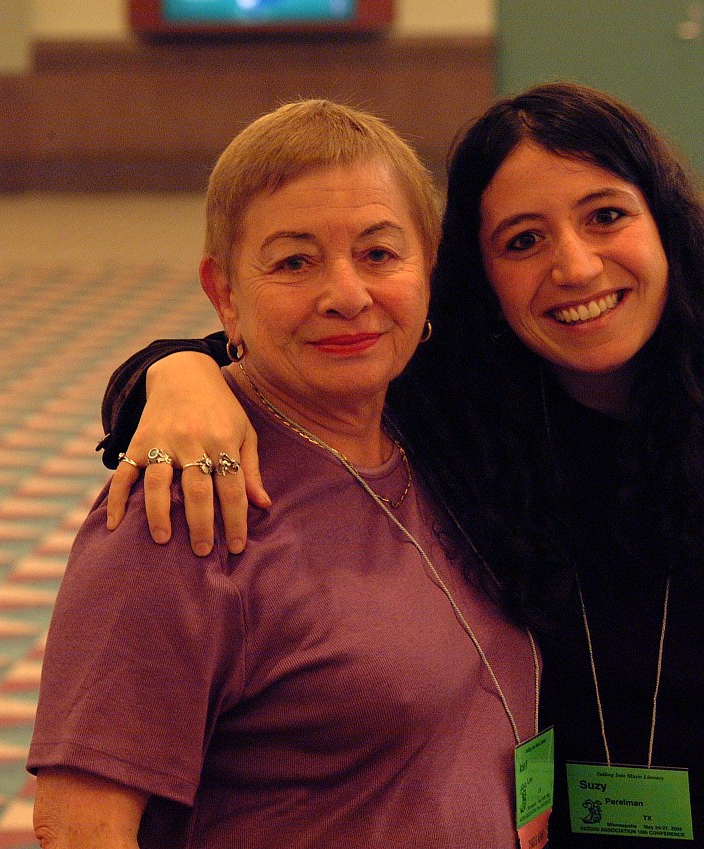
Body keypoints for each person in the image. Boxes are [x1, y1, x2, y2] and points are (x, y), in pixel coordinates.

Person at [98, 82, 704, 848]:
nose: (575, 266)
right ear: (474, 277)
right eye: (522, 240)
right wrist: (175, 376)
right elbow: (290, 353)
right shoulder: (456, 400)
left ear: (665, 221)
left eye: (606, 216)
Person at [27, 100, 540, 849]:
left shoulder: (438, 435)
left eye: (378, 253)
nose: (346, 294)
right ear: (225, 291)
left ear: (429, 263)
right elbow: (77, 829)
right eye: (294, 261)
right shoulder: (186, 505)